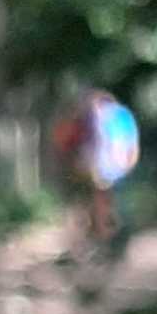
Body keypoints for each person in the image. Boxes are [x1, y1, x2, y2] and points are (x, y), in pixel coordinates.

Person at [52, 89, 140, 244]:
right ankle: (109, 233)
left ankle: (105, 233)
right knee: (108, 200)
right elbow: (131, 142)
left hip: (101, 166)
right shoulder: (121, 115)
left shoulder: (95, 116)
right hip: (113, 167)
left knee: (101, 199)